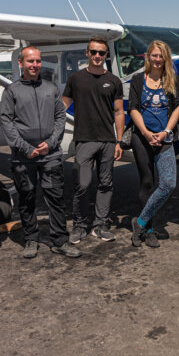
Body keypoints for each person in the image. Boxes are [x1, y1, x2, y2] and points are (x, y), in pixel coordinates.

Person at [0, 46, 80, 259]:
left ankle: (60, 240)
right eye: (30, 61)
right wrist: (26, 148)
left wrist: (51, 142)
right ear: (20, 63)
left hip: (50, 155)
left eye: (38, 61)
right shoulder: (12, 91)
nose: (35, 65)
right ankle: (31, 239)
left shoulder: (51, 88)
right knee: (26, 199)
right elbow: (6, 122)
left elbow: (60, 116)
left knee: (55, 198)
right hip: (23, 156)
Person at [62, 37, 124, 244]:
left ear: (106, 55)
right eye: (94, 52)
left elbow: (118, 111)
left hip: (107, 141)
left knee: (106, 184)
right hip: (84, 140)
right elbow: (61, 107)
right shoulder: (75, 79)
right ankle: (80, 225)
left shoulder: (114, 81)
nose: (98, 56)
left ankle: (100, 224)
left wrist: (119, 141)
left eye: (102, 53)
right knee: (82, 183)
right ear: (87, 54)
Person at [127, 40, 179, 248]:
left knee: (168, 183)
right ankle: (149, 230)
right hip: (142, 138)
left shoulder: (172, 80)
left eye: (161, 56)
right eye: (154, 55)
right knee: (147, 183)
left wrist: (166, 131)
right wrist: (146, 133)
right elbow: (133, 108)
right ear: (148, 56)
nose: (157, 60)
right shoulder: (138, 80)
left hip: (164, 138)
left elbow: (177, 107)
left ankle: (139, 222)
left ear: (166, 58)